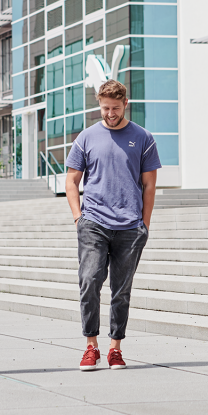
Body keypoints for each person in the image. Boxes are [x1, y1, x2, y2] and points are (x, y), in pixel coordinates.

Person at [65, 79, 161, 371]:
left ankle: (115, 348)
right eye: (105, 108)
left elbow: (149, 186)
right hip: (93, 222)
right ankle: (90, 346)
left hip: (130, 226)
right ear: (99, 105)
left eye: (115, 108)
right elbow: (71, 180)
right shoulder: (86, 137)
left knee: (121, 289)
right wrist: (78, 217)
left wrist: (144, 224)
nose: (110, 113)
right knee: (90, 280)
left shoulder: (143, 138)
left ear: (125, 105)